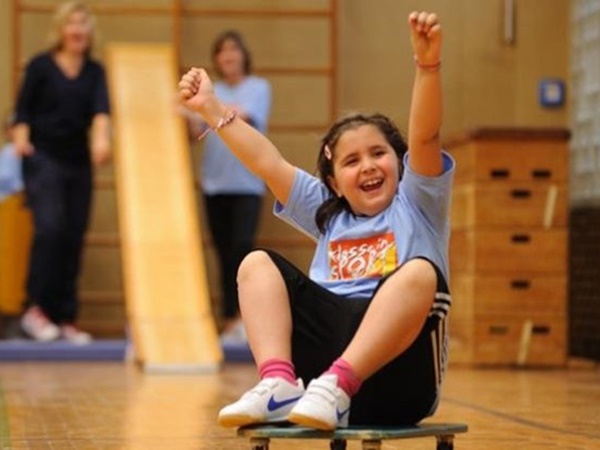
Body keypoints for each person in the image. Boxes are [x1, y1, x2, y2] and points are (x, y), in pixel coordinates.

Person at [179, 10, 453, 430]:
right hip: (315, 393)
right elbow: (267, 162)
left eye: (378, 154)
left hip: (400, 381)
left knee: (419, 273)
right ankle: (278, 383)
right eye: (351, 160)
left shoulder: (417, 202)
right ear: (334, 183)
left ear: (400, 164)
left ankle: (342, 380)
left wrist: (427, 66)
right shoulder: (328, 213)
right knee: (255, 263)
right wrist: (211, 108)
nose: (367, 166)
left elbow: (425, 137)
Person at [13, 1, 111, 344]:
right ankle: (36, 309)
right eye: (72, 23)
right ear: (61, 29)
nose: (78, 30)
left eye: (84, 24)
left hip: (77, 162)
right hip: (43, 158)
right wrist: (22, 140)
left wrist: (101, 141)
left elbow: (101, 112)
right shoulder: (41, 66)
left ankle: (64, 316)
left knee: (73, 235)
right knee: (50, 229)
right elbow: (22, 112)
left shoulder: (94, 72)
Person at [181, 30, 271, 344]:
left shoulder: (258, 88)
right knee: (222, 253)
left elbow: (240, 115)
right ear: (216, 59)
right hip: (214, 185)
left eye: (234, 49)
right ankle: (230, 320)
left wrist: (204, 107)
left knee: (242, 249)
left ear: (244, 55)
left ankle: (248, 320)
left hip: (247, 184)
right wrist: (183, 111)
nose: (228, 56)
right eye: (222, 51)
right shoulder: (212, 91)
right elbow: (197, 130)